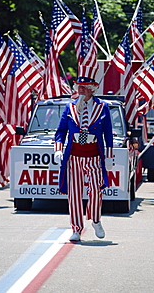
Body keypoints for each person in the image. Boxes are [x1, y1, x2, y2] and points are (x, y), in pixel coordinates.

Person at [54, 73, 114, 242]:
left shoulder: (102, 107)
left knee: (96, 190)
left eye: (83, 88)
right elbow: (60, 131)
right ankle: (76, 228)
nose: (79, 90)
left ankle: (95, 219)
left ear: (91, 90)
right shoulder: (70, 107)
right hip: (74, 157)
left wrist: (109, 156)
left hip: (94, 156)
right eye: (78, 87)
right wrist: (58, 149)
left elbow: (108, 133)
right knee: (74, 194)